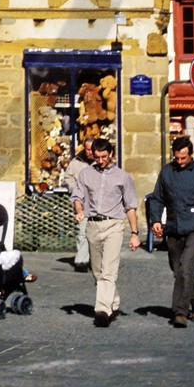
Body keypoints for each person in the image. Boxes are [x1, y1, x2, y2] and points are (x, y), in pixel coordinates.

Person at [147, 136, 194, 328]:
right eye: (177, 158)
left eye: (184, 158)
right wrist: (156, 219)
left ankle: (180, 312)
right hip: (173, 228)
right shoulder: (166, 172)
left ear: (191, 155)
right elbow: (157, 198)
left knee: (186, 269)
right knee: (178, 270)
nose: (180, 162)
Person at [72, 138, 140, 327]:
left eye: (104, 156)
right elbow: (77, 196)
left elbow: (130, 207)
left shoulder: (122, 177)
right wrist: (79, 211)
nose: (101, 160)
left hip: (114, 226)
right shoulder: (86, 174)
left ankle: (102, 310)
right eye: (97, 157)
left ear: (110, 154)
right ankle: (114, 302)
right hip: (92, 225)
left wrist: (135, 233)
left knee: (109, 271)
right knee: (97, 272)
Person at [62, 138, 97, 271]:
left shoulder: (100, 161)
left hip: (98, 203)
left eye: (91, 149)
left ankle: (96, 261)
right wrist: (75, 189)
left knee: (97, 233)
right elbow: (68, 177)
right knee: (82, 231)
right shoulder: (76, 162)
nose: (89, 152)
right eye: (87, 149)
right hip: (81, 202)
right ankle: (81, 261)